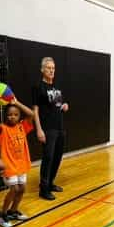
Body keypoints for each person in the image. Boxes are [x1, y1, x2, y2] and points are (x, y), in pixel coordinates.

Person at [0, 99, 35, 227]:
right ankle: (2, 214)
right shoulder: (3, 129)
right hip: (8, 165)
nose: (12, 117)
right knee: (14, 189)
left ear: (19, 116)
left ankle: (13, 211)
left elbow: (32, 114)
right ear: (6, 116)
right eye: (10, 114)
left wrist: (16, 103)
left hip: (21, 164)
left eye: (15, 114)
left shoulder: (22, 127)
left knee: (22, 189)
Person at [32, 57, 69, 201]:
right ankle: (43, 189)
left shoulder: (56, 87)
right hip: (47, 129)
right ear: (42, 70)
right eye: (48, 68)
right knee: (48, 158)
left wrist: (64, 106)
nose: (51, 70)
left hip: (59, 127)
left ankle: (50, 183)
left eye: (53, 68)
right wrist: (39, 130)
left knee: (57, 157)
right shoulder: (38, 87)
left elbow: (58, 105)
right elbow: (35, 110)